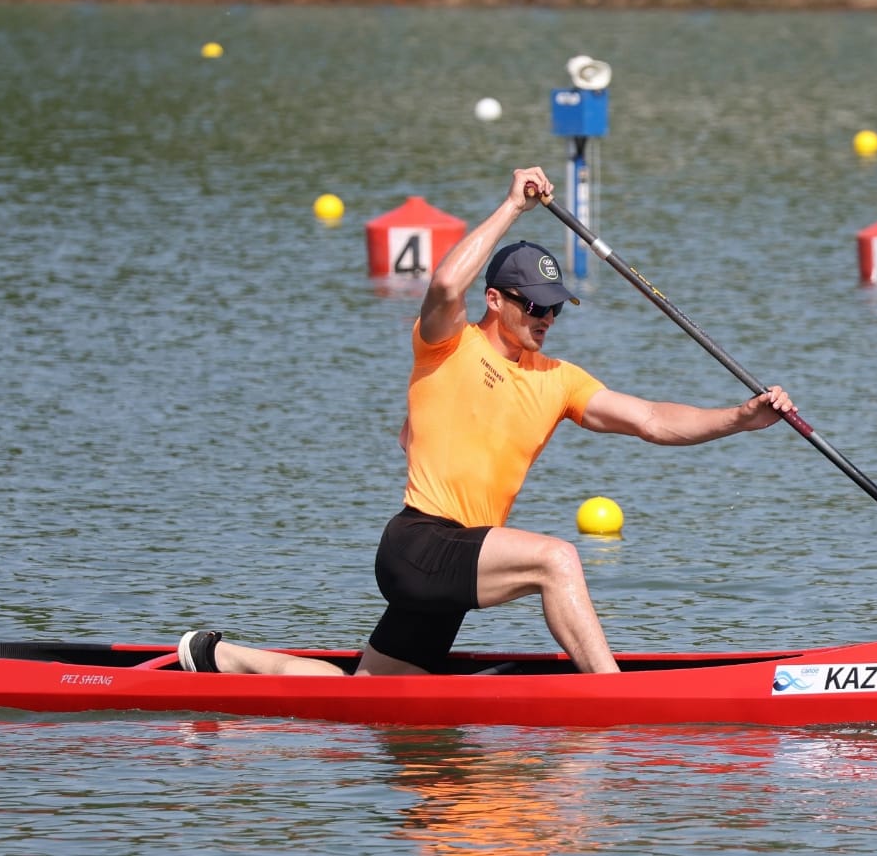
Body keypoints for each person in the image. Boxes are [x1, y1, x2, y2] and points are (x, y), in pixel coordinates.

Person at [180, 165, 795, 678]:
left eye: (554, 309)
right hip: (420, 544)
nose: (545, 318)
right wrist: (510, 207)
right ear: (496, 300)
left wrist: (740, 418)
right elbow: (447, 280)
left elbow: (655, 420)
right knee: (557, 559)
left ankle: (216, 657)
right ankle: (614, 696)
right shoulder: (448, 344)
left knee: (370, 689)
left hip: (462, 555)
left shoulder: (559, 379)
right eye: (533, 305)